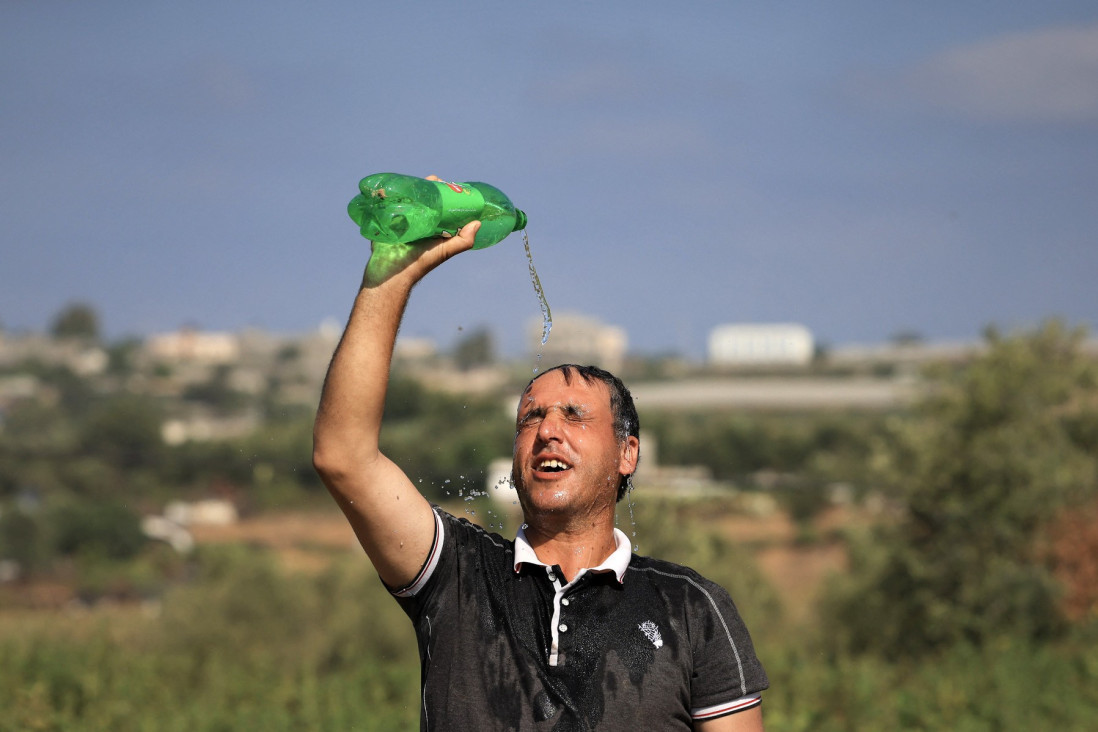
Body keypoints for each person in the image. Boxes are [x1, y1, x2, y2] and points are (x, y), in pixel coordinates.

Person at [313, 194, 768, 731]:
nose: (547, 430)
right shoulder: (455, 576)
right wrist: (393, 273)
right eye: (530, 419)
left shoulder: (691, 607)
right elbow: (343, 456)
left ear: (628, 453)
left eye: (574, 416)